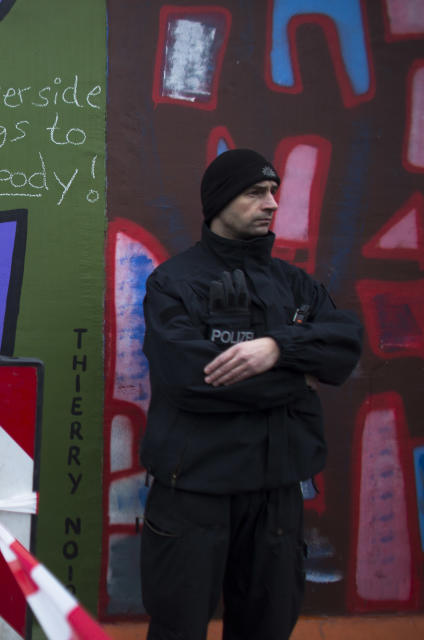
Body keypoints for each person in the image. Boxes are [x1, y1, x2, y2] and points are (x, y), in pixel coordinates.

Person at [138, 148, 363, 640]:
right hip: (194, 492)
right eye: (255, 193)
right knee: (178, 627)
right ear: (220, 201)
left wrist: (278, 347)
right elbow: (192, 380)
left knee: (267, 626)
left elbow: (345, 346)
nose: (272, 204)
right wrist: (299, 377)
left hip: (276, 495)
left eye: (273, 192)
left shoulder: (294, 285)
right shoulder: (174, 283)